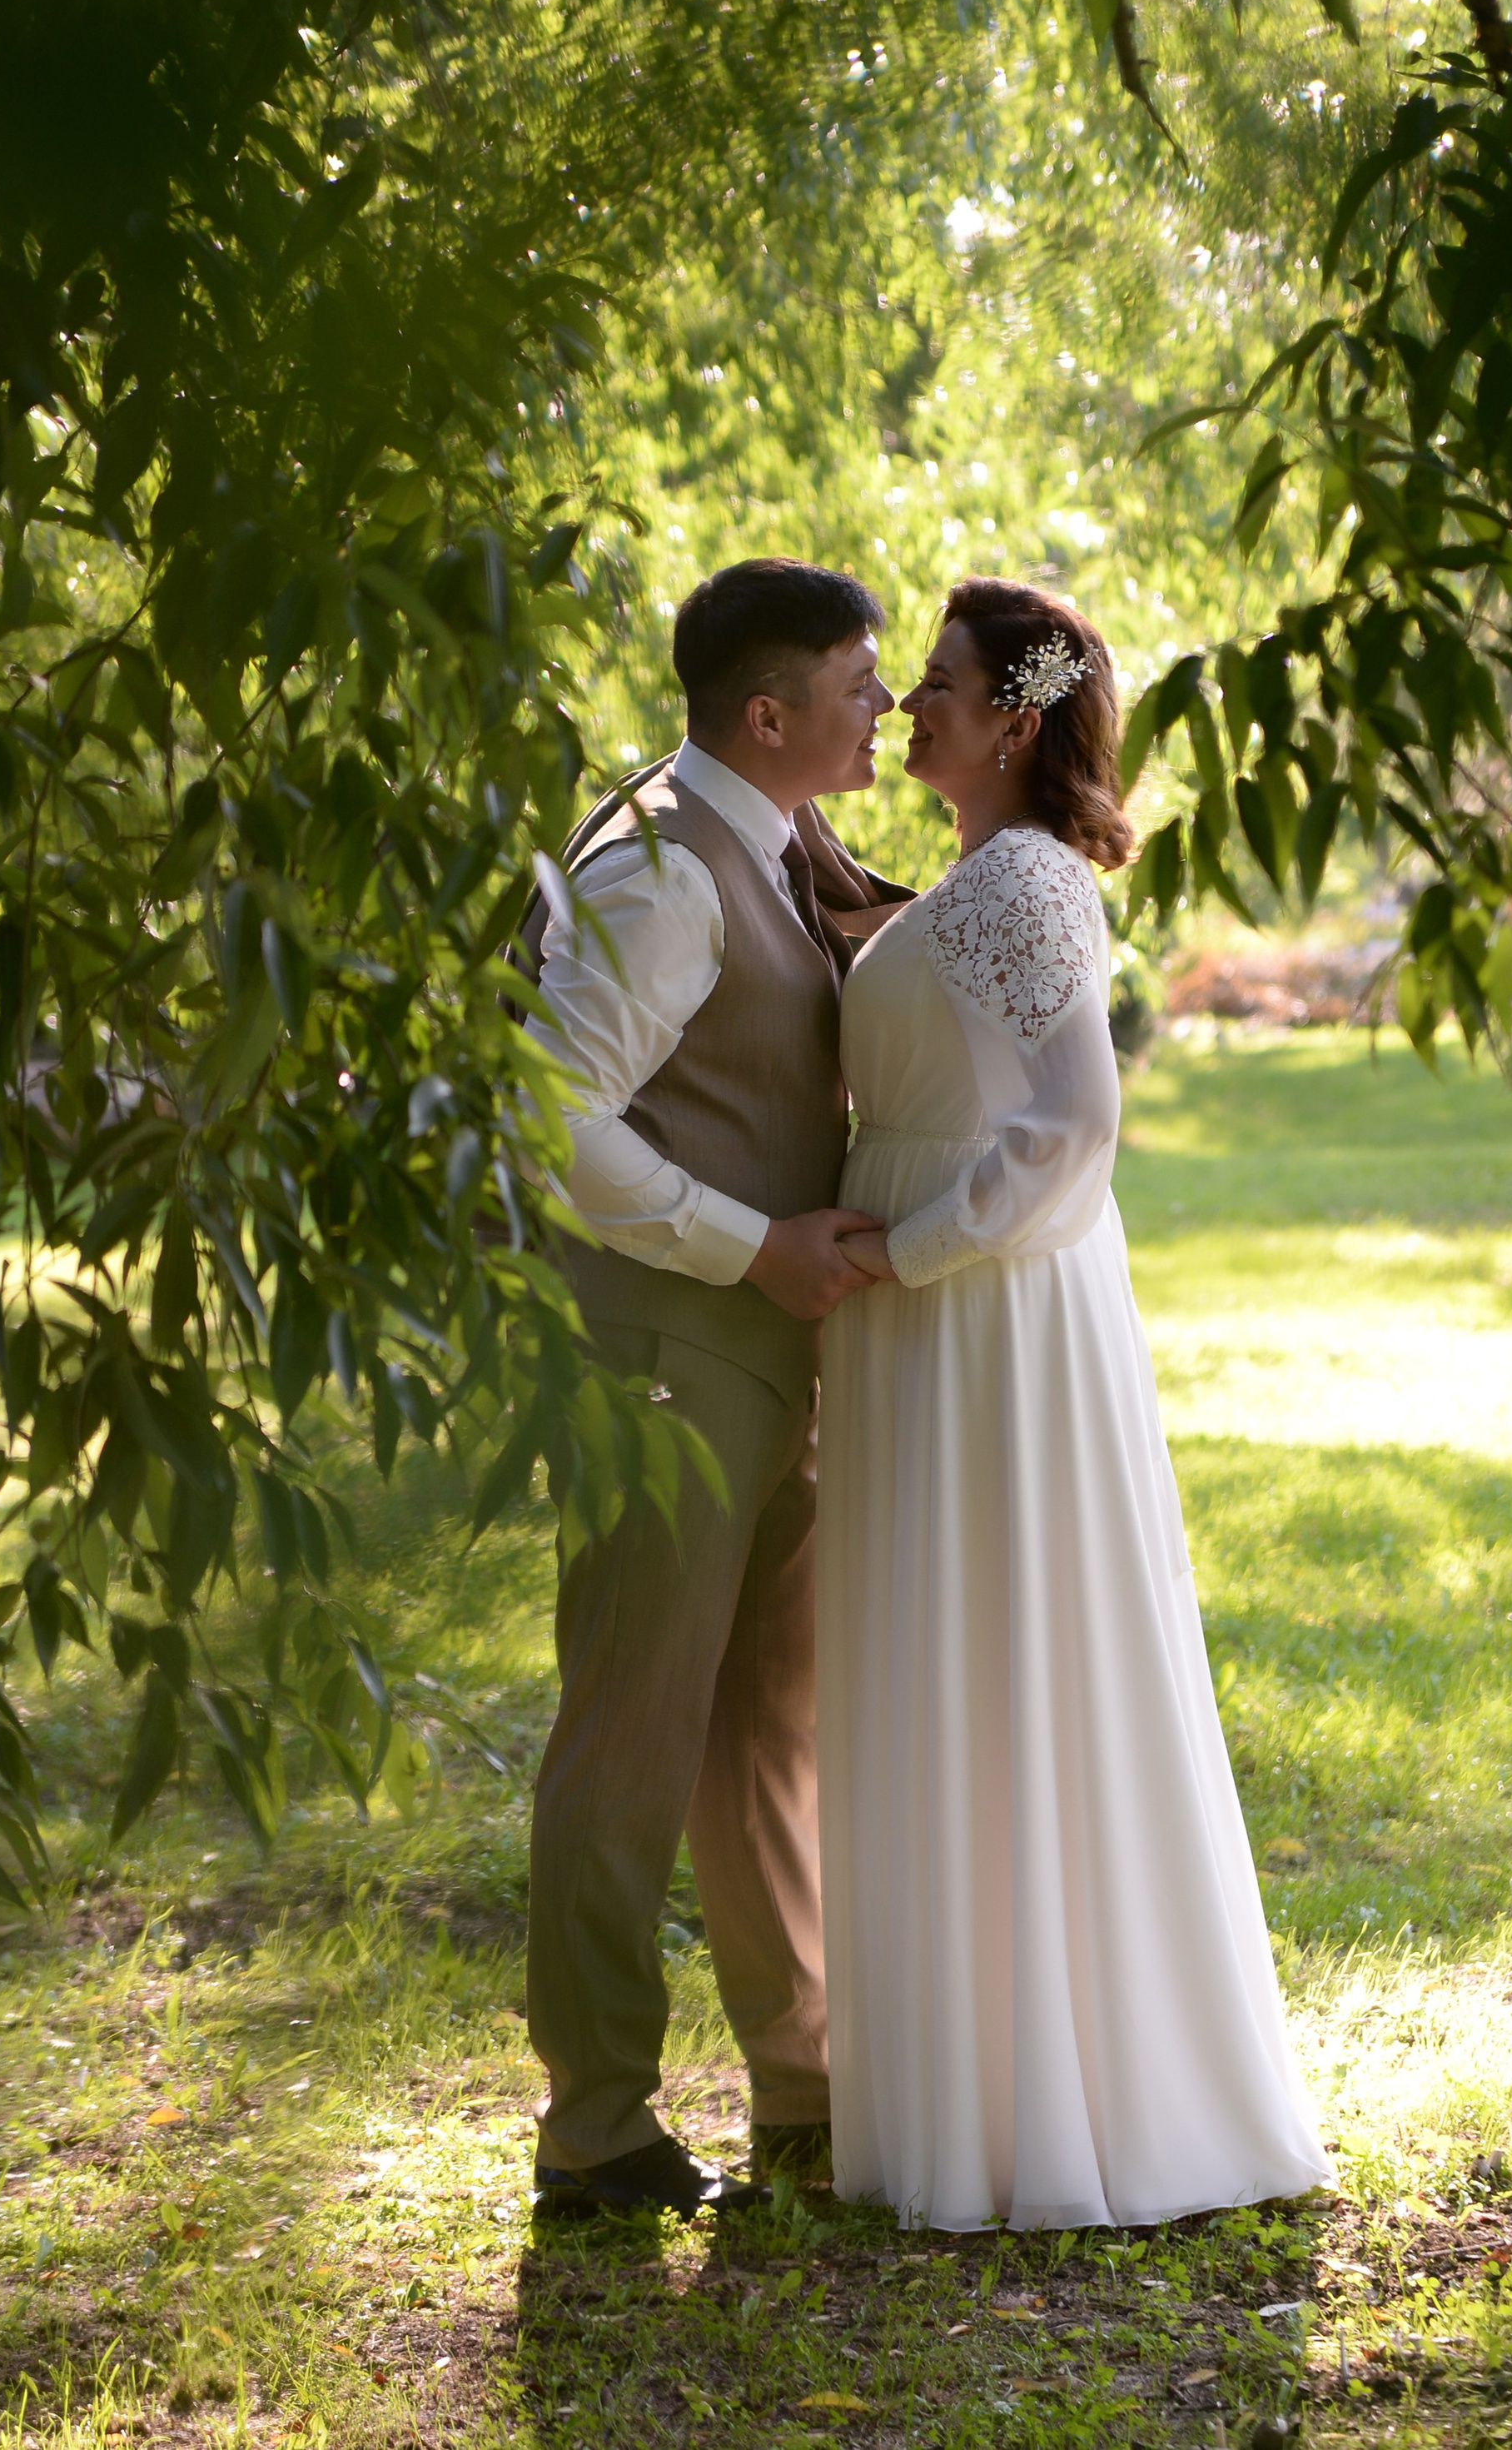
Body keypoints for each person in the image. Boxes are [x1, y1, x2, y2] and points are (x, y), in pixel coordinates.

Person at [818, 576, 1333, 2230]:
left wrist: (907, 1250)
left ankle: (1057, 2098)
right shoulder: (969, 880)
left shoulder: (1025, 885)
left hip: (982, 1315)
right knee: (940, 1660)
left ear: (1014, 718)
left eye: (939, 683)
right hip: (922, 1312)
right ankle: (963, 2085)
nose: (906, 702)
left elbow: (1066, 1132)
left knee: (1010, 1656)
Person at [516, 559, 909, 2220]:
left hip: (763, 1362)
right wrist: (750, 1248)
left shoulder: (754, 839)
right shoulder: (662, 871)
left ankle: (803, 2085)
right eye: (857, 682)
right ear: (769, 714)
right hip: (665, 1367)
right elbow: (545, 1119)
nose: (882, 706)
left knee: (761, 1733)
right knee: (629, 1739)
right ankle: (594, 2126)